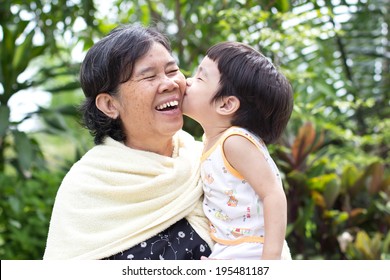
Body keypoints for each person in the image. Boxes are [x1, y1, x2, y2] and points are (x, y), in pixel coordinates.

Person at [43, 24, 213, 260]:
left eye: (172, 70)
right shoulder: (87, 187)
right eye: (149, 76)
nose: (170, 83)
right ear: (110, 105)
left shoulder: (208, 160)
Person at [182, 42, 293, 260]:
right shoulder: (212, 142)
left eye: (200, 78)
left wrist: (270, 261)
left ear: (225, 105)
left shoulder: (234, 142)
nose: (187, 81)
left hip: (254, 249)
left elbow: (273, 194)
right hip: (232, 248)